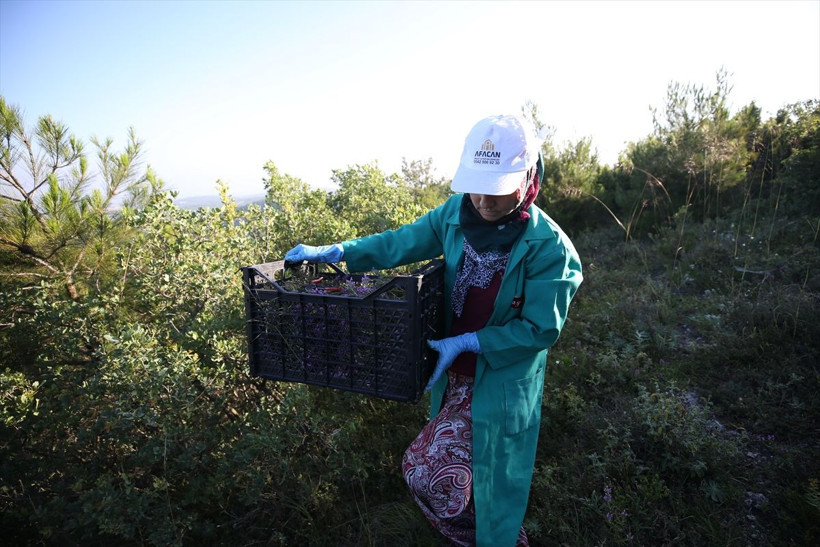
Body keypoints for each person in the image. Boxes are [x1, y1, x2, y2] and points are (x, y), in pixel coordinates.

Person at [285, 114, 583, 546]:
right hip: (455, 375)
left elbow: (539, 329)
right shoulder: (453, 216)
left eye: (497, 190)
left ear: (528, 179)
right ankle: (475, 534)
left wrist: (469, 340)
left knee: (460, 474)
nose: (483, 200)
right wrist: (341, 251)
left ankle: (493, 538)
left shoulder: (550, 248)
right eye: (476, 185)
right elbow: (399, 242)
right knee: (456, 476)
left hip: (499, 378)